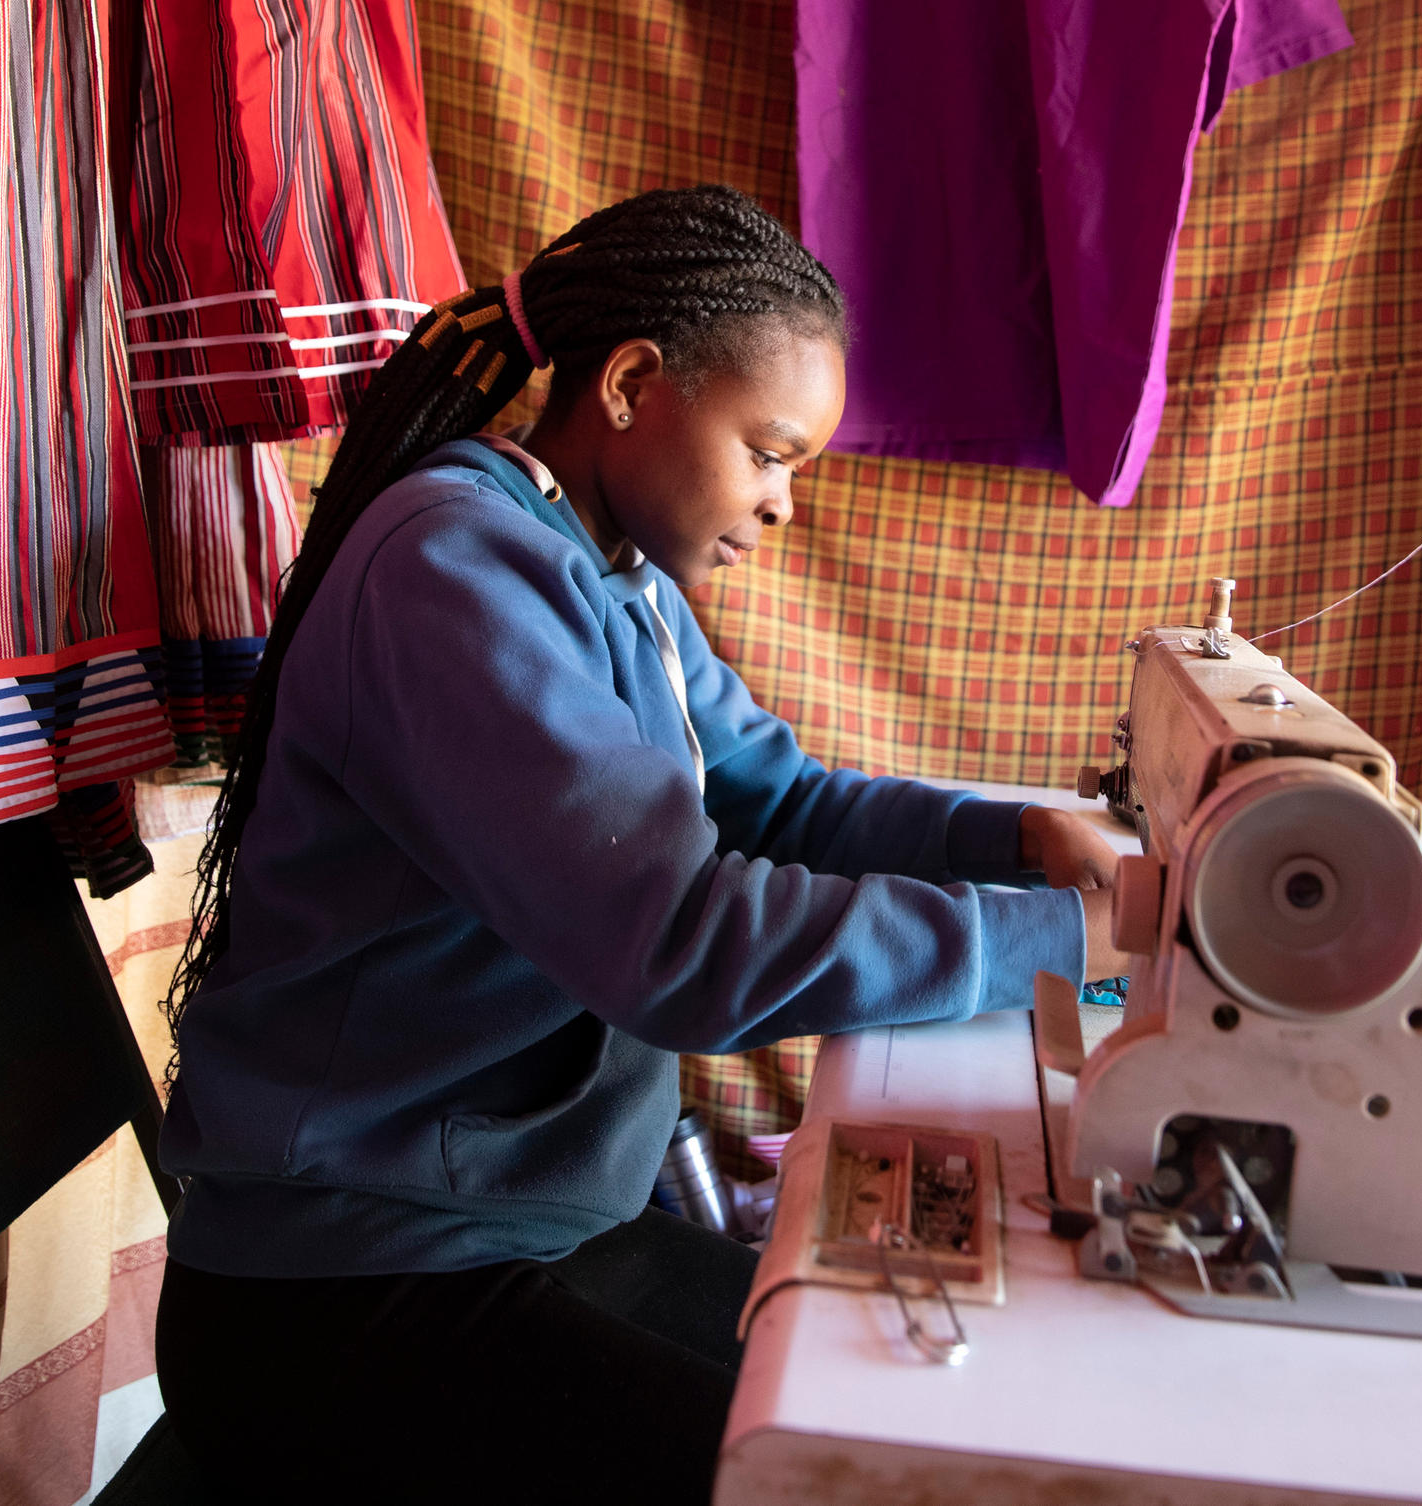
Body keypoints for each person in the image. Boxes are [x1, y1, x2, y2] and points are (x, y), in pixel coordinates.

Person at [151, 185, 1123, 1501]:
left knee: (900, 1425)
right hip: (349, 1290)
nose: (783, 502)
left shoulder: (612, 576)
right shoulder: (458, 569)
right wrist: (1068, 942)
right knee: (852, 1479)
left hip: (520, 1220)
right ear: (630, 383)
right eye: (770, 450)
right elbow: (681, 945)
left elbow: (783, 805)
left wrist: (1022, 839)